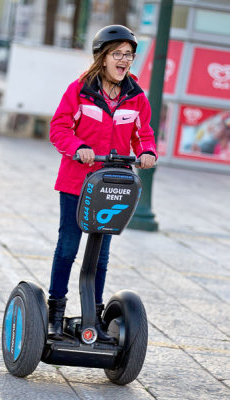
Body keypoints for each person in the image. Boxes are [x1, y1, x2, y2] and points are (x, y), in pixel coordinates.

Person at [48, 25, 158, 342]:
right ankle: (56, 313)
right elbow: (59, 128)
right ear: (103, 57)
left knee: (101, 255)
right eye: (117, 54)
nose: (124, 60)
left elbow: (144, 134)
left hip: (113, 184)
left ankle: (92, 317)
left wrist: (148, 152)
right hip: (76, 183)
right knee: (68, 247)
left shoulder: (136, 97)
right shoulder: (80, 90)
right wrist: (77, 148)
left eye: (129, 55)